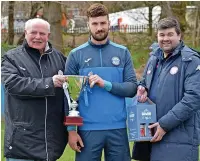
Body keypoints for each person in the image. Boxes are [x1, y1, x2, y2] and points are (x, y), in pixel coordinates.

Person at [64, 3, 137, 161]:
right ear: (88, 25)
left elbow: (132, 88)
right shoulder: (76, 55)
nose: (99, 28)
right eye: (95, 24)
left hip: (117, 129)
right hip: (87, 130)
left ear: (109, 23)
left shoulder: (122, 53)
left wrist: (106, 84)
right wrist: (71, 130)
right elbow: (68, 96)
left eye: (103, 23)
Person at [133, 17, 200, 161]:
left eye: (170, 34)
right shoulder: (154, 59)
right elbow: (145, 81)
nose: (165, 39)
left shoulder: (191, 61)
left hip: (178, 139)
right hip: (150, 136)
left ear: (179, 35)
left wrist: (164, 125)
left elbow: (194, 98)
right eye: (162, 35)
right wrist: (142, 87)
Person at [1, 18, 68, 161]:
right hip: (22, 145)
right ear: (25, 33)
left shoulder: (60, 58)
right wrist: (49, 83)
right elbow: (13, 84)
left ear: (48, 36)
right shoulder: (11, 58)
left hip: (52, 144)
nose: (38, 37)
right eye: (33, 32)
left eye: (42, 33)